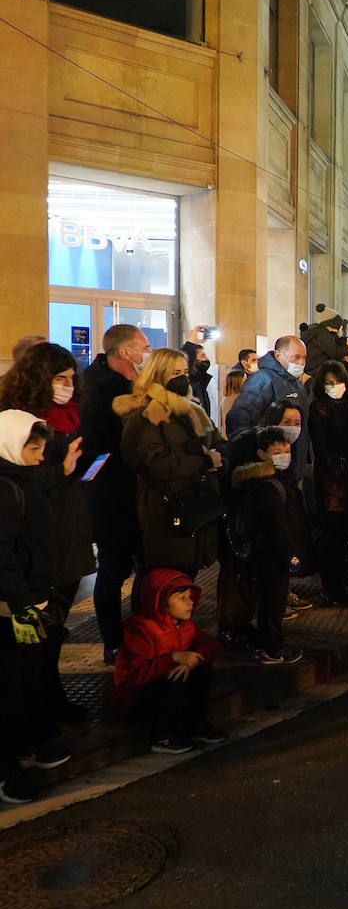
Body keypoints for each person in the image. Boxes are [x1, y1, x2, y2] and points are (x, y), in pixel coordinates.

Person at [0, 343, 94, 722]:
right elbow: (18, 477)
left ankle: (51, 698)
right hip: (36, 538)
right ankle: (36, 709)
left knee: (55, 628)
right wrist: (61, 471)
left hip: (67, 529)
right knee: (33, 634)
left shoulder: (70, 416)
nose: (68, 386)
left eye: (71, 378)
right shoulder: (16, 424)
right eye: (60, 378)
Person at [0, 411, 70, 804]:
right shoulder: (6, 489)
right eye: (34, 448)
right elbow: (3, 556)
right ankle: (7, 769)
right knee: (10, 684)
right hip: (12, 607)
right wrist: (22, 604)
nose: (40, 456)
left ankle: (26, 745)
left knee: (28, 678)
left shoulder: (24, 480)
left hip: (31, 598)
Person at [116, 348, 225, 577]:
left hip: (195, 506)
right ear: (157, 375)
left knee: (185, 579)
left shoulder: (192, 410)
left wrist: (218, 457)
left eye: (184, 372)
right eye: (175, 373)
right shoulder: (144, 414)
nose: (182, 378)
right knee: (162, 579)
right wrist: (204, 461)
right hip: (164, 511)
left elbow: (219, 443)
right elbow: (155, 463)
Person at [79, 323, 151, 664]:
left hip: (139, 493)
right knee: (113, 569)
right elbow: (93, 454)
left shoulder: (136, 384)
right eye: (144, 346)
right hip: (112, 498)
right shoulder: (96, 392)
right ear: (125, 352)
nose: (148, 352)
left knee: (146, 565)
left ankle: (143, 634)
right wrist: (116, 470)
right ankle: (114, 642)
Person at [113, 569, 225, 753]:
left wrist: (190, 661)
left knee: (200, 667)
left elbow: (213, 646)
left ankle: (196, 724)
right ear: (161, 601)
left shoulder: (185, 625)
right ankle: (162, 737)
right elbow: (133, 675)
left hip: (168, 693)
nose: (190, 602)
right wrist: (173, 658)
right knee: (172, 677)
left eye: (190, 596)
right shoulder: (140, 628)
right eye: (182, 598)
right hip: (136, 699)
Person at [228, 426, 309, 664]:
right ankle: (271, 648)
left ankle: (269, 643)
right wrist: (292, 557)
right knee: (272, 602)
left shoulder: (274, 479)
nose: (285, 454)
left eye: (287, 448)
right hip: (271, 555)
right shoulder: (266, 485)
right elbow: (276, 528)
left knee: (271, 600)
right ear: (262, 454)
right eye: (277, 450)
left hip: (270, 553)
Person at [308, 361, 348, 606]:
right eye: (329, 383)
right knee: (332, 536)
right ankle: (332, 586)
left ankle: (343, 579)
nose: (334, 387)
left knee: (344, 535)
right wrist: (340, 470)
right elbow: (322, 449)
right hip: (332, 482)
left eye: (338, 382)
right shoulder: (319, 409)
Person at [226, 335, 308, 441]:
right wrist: (252, 447)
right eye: (296, 357)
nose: (301, 362)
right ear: (278, 355)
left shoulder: (295, 382)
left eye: (304, 357)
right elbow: (239, 418)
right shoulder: (262, 380)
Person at [302, 304, 348, 379]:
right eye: (340, 324)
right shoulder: (322, 334)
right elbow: (334, 352)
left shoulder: (322, 333)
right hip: (315, 370)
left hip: (315, 368)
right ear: (334, 323)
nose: (341, 328)